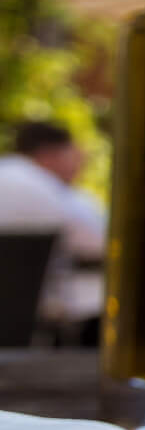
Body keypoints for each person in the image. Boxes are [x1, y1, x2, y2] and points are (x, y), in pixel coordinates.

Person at [0, 121, 107, 338]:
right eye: (73, 154)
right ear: (50, 154)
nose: (79, 163)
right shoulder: (50, 188)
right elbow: (98, 244)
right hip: (67, 315)